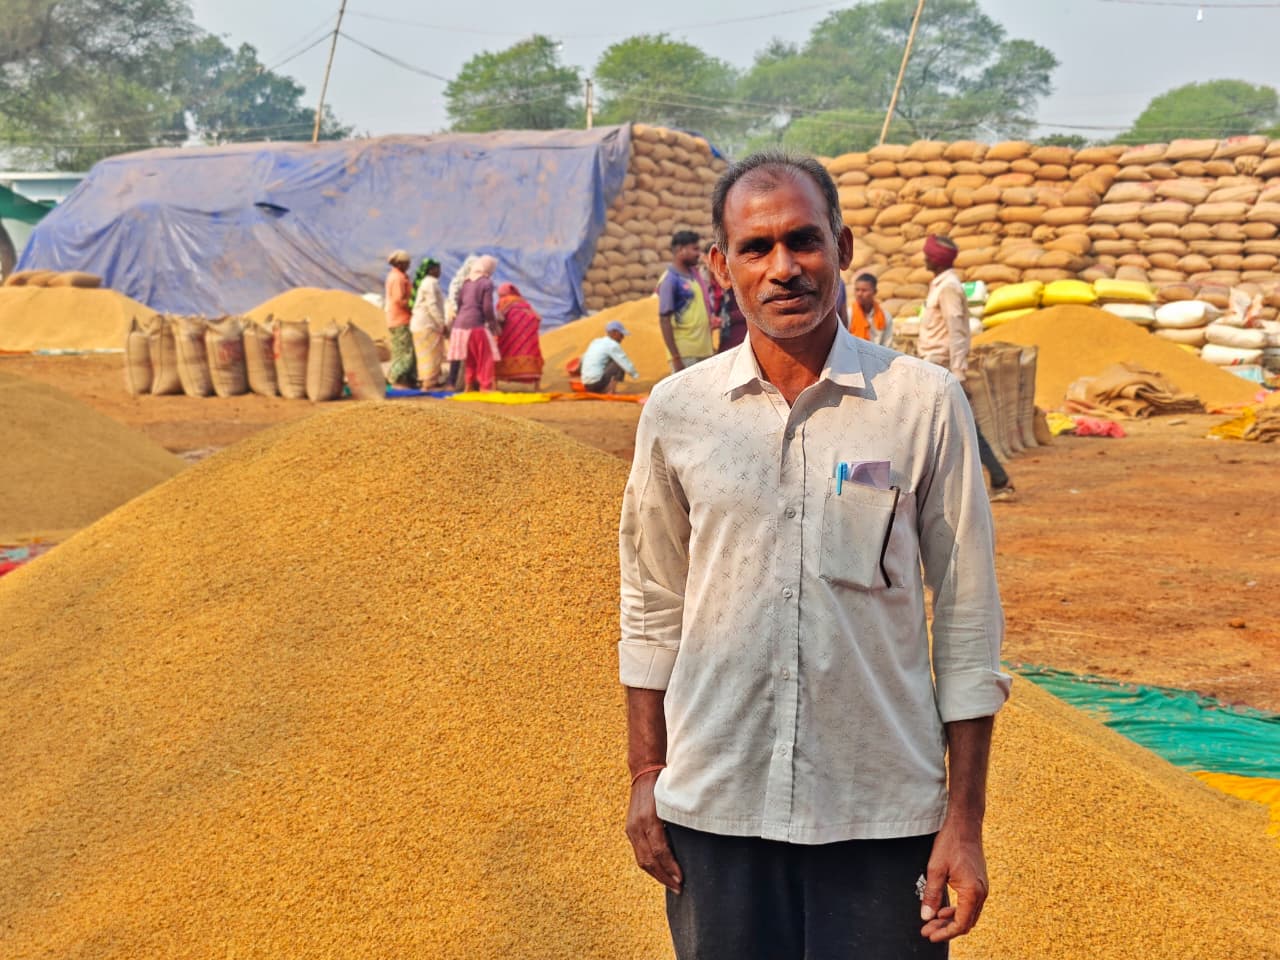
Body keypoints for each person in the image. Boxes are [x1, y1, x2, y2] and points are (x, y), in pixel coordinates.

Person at [619, 151, 1010, 960]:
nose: (784, 267)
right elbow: (651, 600)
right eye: (756, 249)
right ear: (721, 267)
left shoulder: (923, 403)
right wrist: (644, 777)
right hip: (716, 809)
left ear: (844, 246)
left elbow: (968, 618)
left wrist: (963, 823)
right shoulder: (679, 410)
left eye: (804, 240)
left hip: (882, 815)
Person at [917, 234, 1015, 502]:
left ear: (935, 260)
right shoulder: (940, 285)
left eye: (928, 254)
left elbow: (958, 332)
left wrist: (957, 373)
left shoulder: (948, 287)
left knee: (959, 426)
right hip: (934, 364)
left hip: (942, 367)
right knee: (951, 426)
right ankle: (995, 479)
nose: (924, 258)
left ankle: (998, 479)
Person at [657, 230, 714, 373]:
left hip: (704, 351)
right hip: (685, 353)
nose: (698, 253)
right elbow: (664, 319)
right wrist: (676, 358)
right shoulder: (670, 280)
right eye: (695, 249)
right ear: (681, 250)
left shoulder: (695, 274)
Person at [451, 255, 498, 392]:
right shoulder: (486, 283)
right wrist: (493, 324)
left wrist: (463, 317)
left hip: (460, 326)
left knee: (470, 357)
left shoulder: (466, 282)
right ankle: (485, 386)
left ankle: (469, 385)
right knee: (485, 357)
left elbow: (460, 303)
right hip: (475, 325)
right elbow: (488, 308)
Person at [494, 282, 545, 389]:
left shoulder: (503, 301)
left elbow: (498, 319)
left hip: (512, 331)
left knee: (503, 349)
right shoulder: (523, 301)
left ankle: (494, 385)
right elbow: (538, 317)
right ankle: (537, 386)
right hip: (529, 330)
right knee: (530, 350)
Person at [410, 257, 448, 388]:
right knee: (431, 354)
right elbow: (432, 305)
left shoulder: (425, 282)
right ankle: (428, 383)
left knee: (424, 355)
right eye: (438, 269)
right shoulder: (431, 283)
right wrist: (441, 323)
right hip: (427, 324)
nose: (440, 272)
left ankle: (429, 381)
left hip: (420, 324)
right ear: (431, 270)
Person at [384, 250, 418, 388]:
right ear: (400, 263)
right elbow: (400, 300)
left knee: (404, 350)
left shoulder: (398, 276)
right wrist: (413, 307)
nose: (409, 265)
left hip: (397, 318)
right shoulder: (397, 278)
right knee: (404, 352)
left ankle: (406, 379)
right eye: (406, 263)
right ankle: (397, 379)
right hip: (401, 319)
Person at [445, 254, 478, 390]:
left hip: (469, 322)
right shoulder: (457, 283)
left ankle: (468, 383)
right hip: (458, 322)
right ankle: (452, 383)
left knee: (470, 353)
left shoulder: (476, 283)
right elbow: (453, 303)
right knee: (457, 353)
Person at [580, 320, 639, 394]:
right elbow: (624, 362)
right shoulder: (612, 345)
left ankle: (604, 388)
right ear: (614, 333)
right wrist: (635, 375)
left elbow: (583, 359)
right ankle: (610, 391)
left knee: (609, 359)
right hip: (596, 384)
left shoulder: (595, 342)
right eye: (621, 335)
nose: (623, 338)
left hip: (586, 385)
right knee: (618, 363)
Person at [850, 272, 894, 347]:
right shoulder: (849, 314)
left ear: (875, 292)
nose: (859, 294)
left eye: (864, 290)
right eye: (857, 290)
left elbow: (887, 344)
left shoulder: (885, 317)